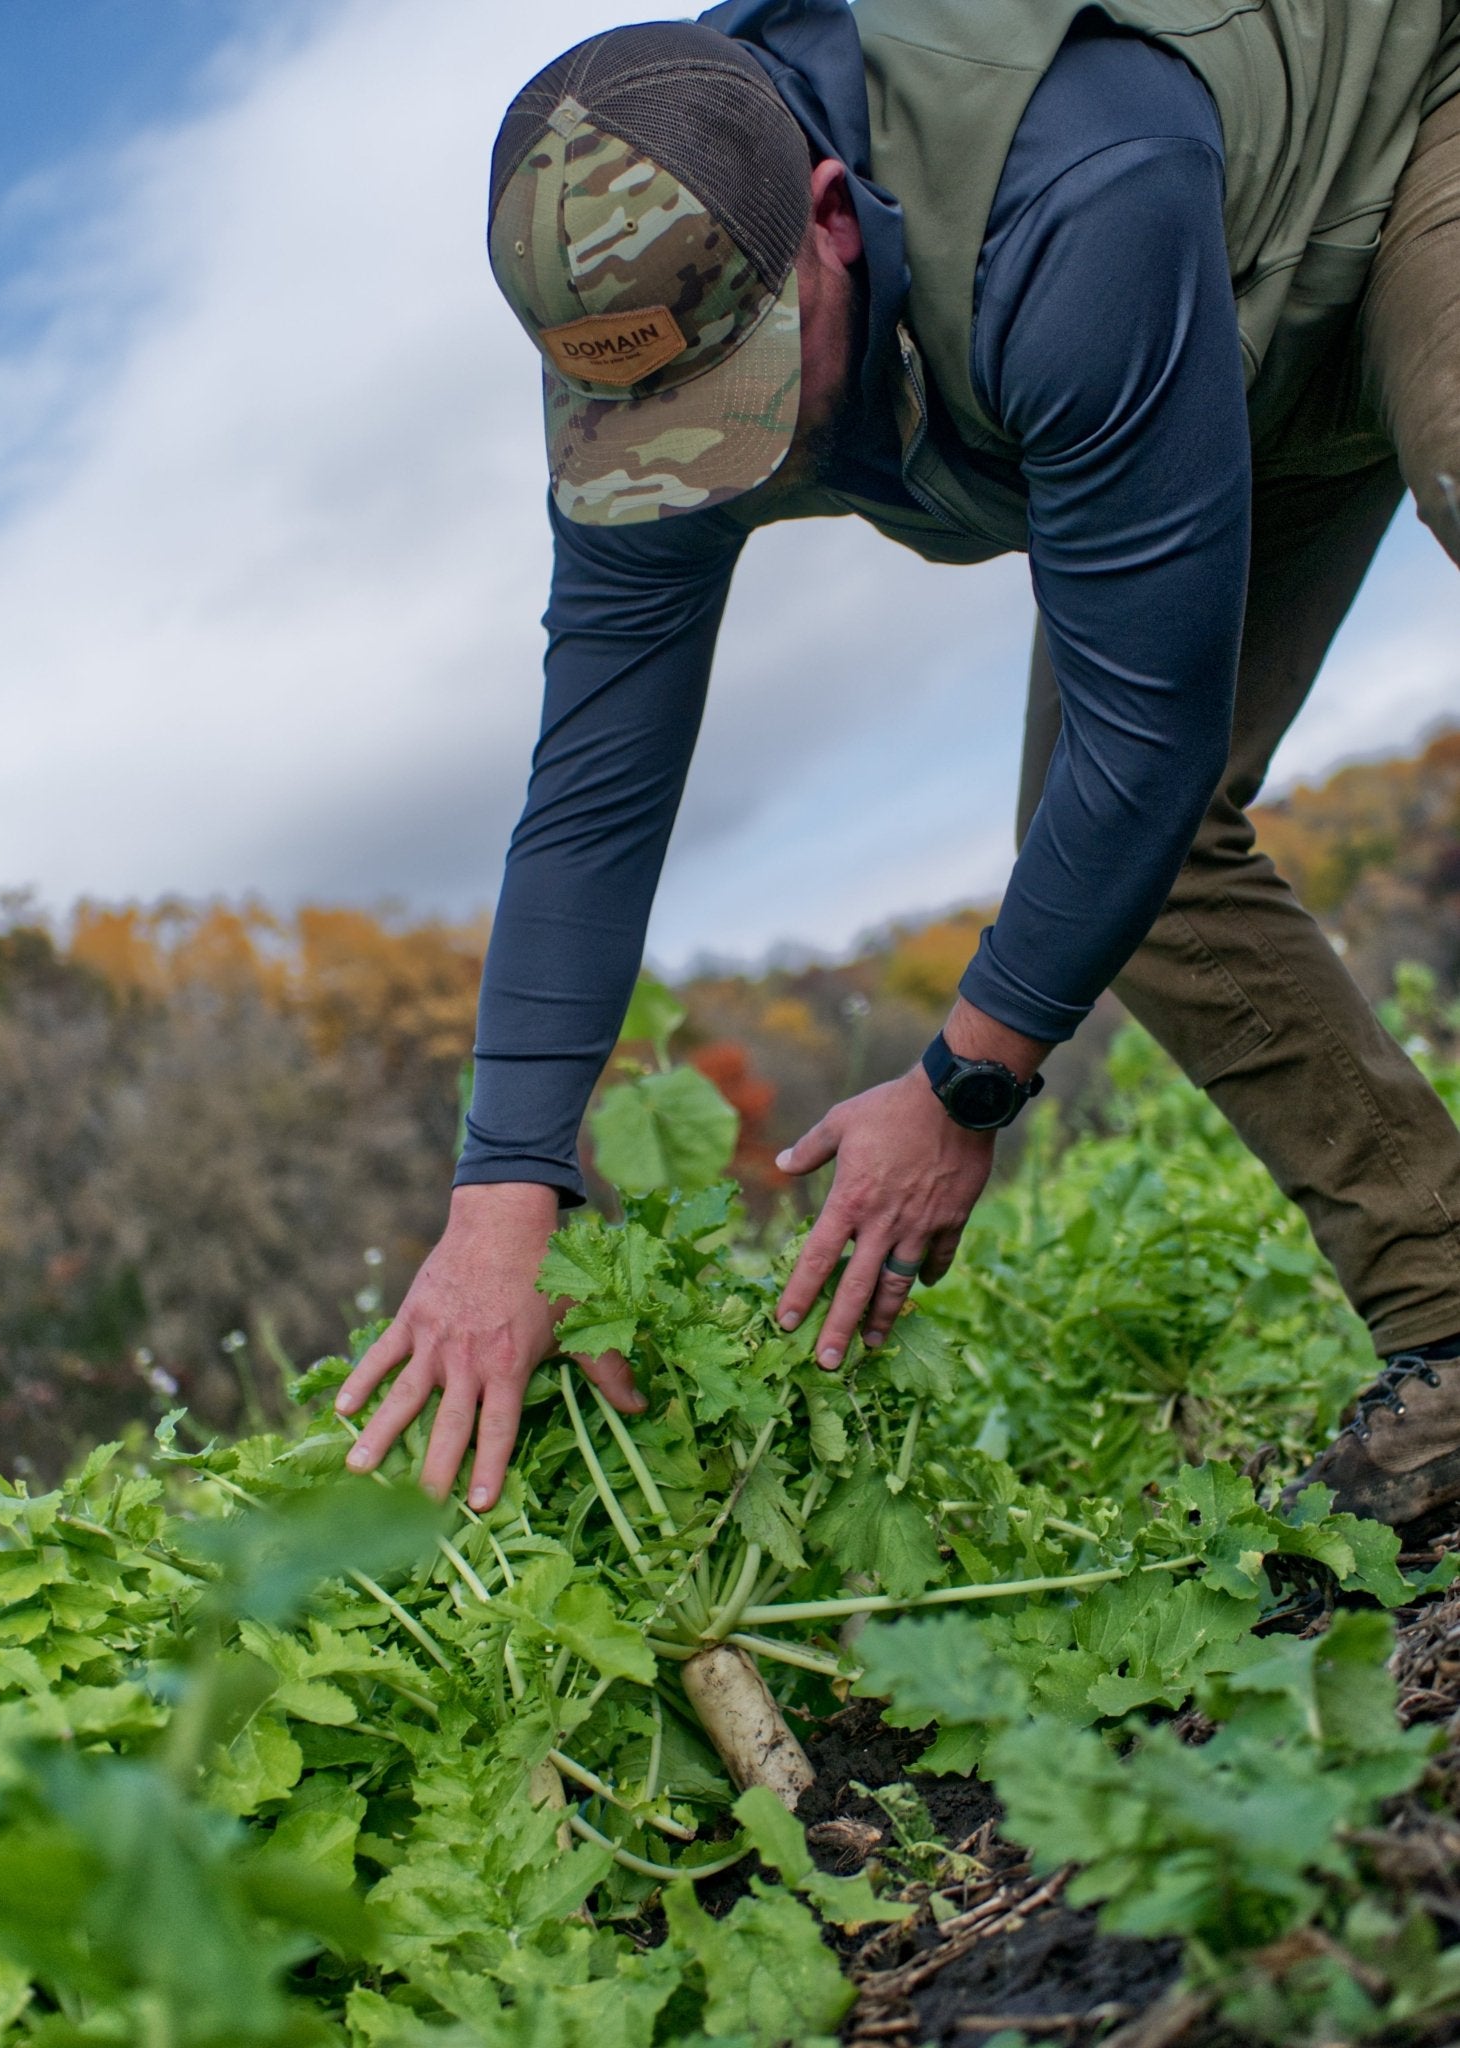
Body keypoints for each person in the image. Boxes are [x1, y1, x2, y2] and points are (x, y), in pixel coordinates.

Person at [337, 0, 1460, 1526]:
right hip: (1217, 352)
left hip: (1399, 140)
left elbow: (1145, 739)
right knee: (1145, 873)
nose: (713, 459)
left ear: (823, 220)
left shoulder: (1073, 185)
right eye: (653, 420)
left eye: (734, 393)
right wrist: (501, 1193)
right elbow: (593, 792)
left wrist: (962, 1086)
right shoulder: (640, 346)